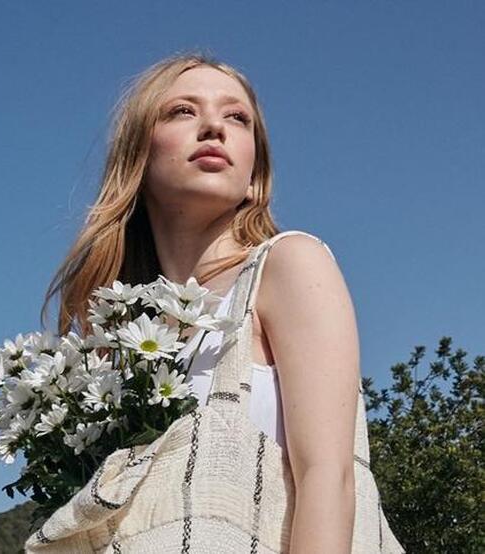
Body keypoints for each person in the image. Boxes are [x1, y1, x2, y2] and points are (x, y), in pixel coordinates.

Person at [40, 52, 361, 553]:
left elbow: (330, 476)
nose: (214, 125)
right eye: (182, 111)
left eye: (238, 118)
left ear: (256, 173)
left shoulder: (286, 266)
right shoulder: (117, 340)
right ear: (137, 156)